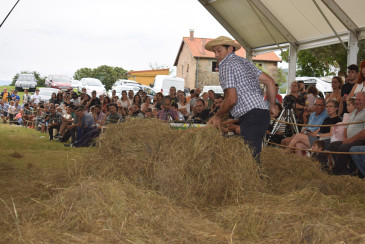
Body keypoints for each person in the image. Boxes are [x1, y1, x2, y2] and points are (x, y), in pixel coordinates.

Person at [205, 36, 276, 163]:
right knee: (251, 159)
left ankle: (257, 183)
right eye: (214, 51)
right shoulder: (245, 63)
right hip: (262, 114)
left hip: (251, 115)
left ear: (230, 49)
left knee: (250, 163)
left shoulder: (225, 64)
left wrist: (217, 116)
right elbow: (270, 82)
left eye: (219, 50)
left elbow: (231, 99)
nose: (216, 55)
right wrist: (272, 106)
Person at [328, 91, 365, 175]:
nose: (357, 101)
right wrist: (345, 138)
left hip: (361, 140)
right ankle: (345, 171)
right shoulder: (354, 111)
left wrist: (350, 140)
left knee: (344, 147)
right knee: (332, 145)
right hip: (349, 140)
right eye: (356, 99)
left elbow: (364, 133)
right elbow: (346, 127)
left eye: (360, 99)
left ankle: (335, 172)